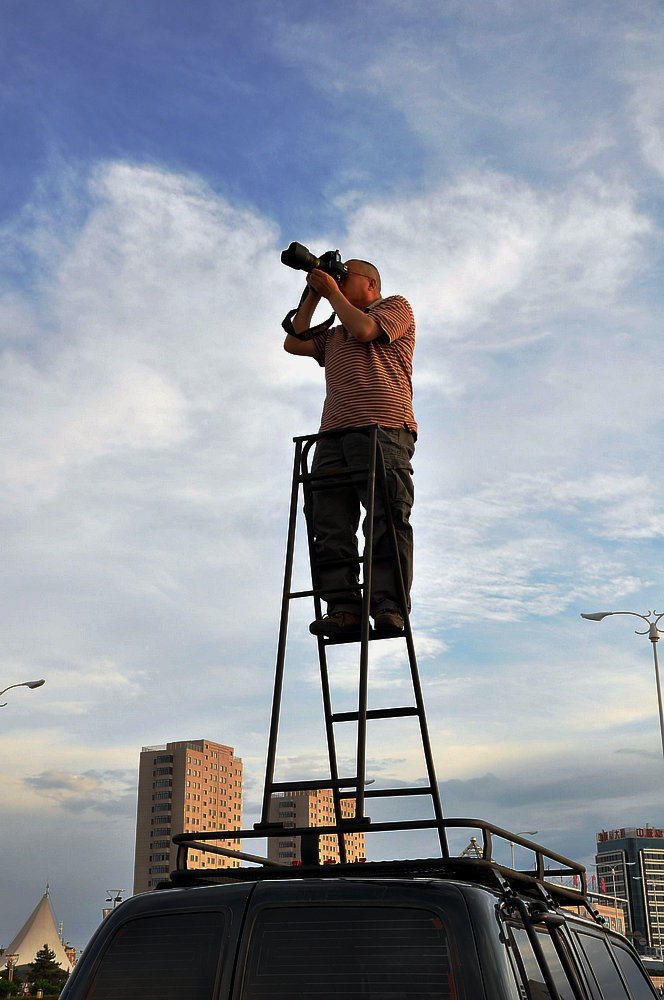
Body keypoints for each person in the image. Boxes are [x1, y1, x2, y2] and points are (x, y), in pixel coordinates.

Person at [283, 257, 416, 639]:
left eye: (345, 276)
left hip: (384, 430)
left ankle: (388, 604)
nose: (339, 283)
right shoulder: (335, 332)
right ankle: (344, 608)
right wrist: (313, 292)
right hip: (332, 437)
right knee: (329, 523)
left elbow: (366, 330)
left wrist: (332, 292)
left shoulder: (395, 306)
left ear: (370, 284)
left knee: (386, 516)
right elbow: (294, 340)